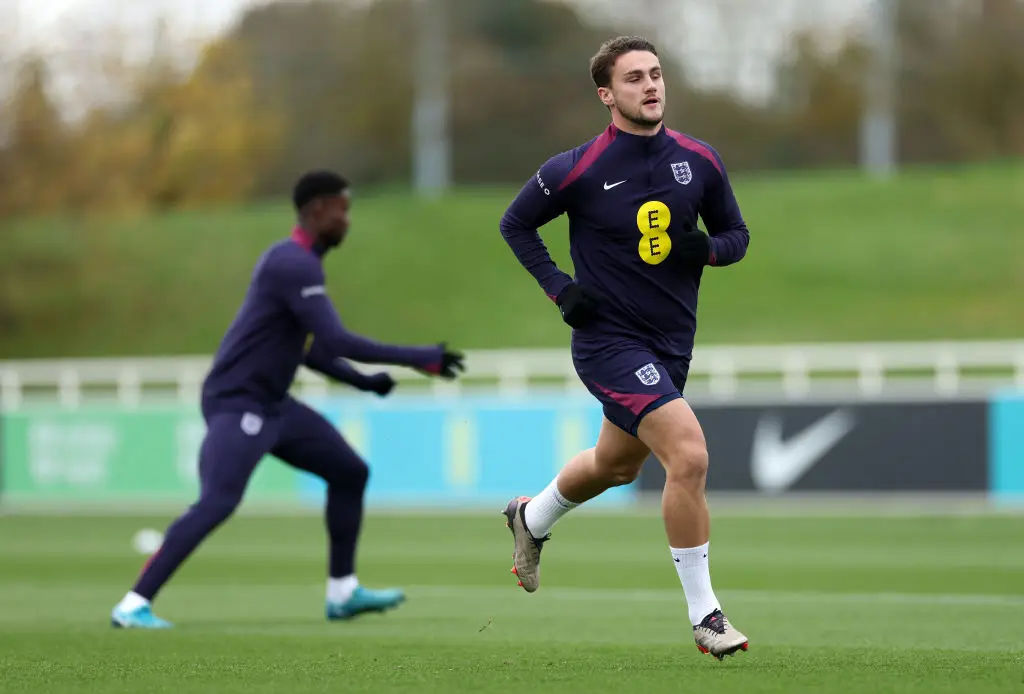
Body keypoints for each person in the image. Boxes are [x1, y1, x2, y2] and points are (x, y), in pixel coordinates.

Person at [111, 170, 464, 628]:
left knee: (350, 472)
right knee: (217, 502)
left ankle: (342, 592)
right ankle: (133, 604)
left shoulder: (300, 265)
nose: (348, 221)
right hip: (237, 401)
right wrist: (419, 357)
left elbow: (307, 348)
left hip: (272, 404)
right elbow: (335, 339)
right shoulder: (291, 263)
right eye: (343, 210)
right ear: (318, 211)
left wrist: (362, 382)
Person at [498, 36, 750, 660]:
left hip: (671, 344)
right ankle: (706, 617)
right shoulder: (575, 168)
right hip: (608, 341)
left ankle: (530, 519)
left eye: (657, 74)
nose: (651, 85)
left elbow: (737, 235)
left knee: (616, 465)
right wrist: (561, 290)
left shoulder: (700, 160)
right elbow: (515, 224)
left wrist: (710, 250)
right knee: (688, 456)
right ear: (607, 94)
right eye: (635, 77)